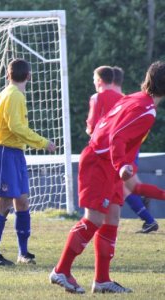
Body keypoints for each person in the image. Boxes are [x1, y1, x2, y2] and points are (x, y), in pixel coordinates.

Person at [49, 61, 165, 293]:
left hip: (107, 164)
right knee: (93, 219)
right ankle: (61, 270)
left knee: (112, 218)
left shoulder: (135, 98)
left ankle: (102, 280)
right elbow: (117, 137)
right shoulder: (147, 111)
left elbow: (136, 185)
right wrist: (122, 164)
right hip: (100, 163)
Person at [0, 58, 56, 266]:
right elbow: (16, 127)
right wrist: (43, 142)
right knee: (4, 203)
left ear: (8, 75)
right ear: (29, 76)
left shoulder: (5, 94)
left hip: (14, 154)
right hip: (6, 153)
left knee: (22, 201)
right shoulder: (13, 95)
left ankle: (23, 253)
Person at [112, 66, 159, 233]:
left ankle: (148, 219)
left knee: (124, 190)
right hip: (131, 149)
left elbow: (100, 129)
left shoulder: (102, 98)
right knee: (130, 188)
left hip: (114, 152)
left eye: (96, 80)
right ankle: (148, 219)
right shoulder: (132, 99)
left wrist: (119, 163)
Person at [85, 66, 123, 135]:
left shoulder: (96, 97)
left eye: (94, 79)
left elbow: (92, 123)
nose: (94, 82)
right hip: (117, 138)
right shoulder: (122, 98)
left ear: (99, 81)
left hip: (101, 139)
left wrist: (89, 129)